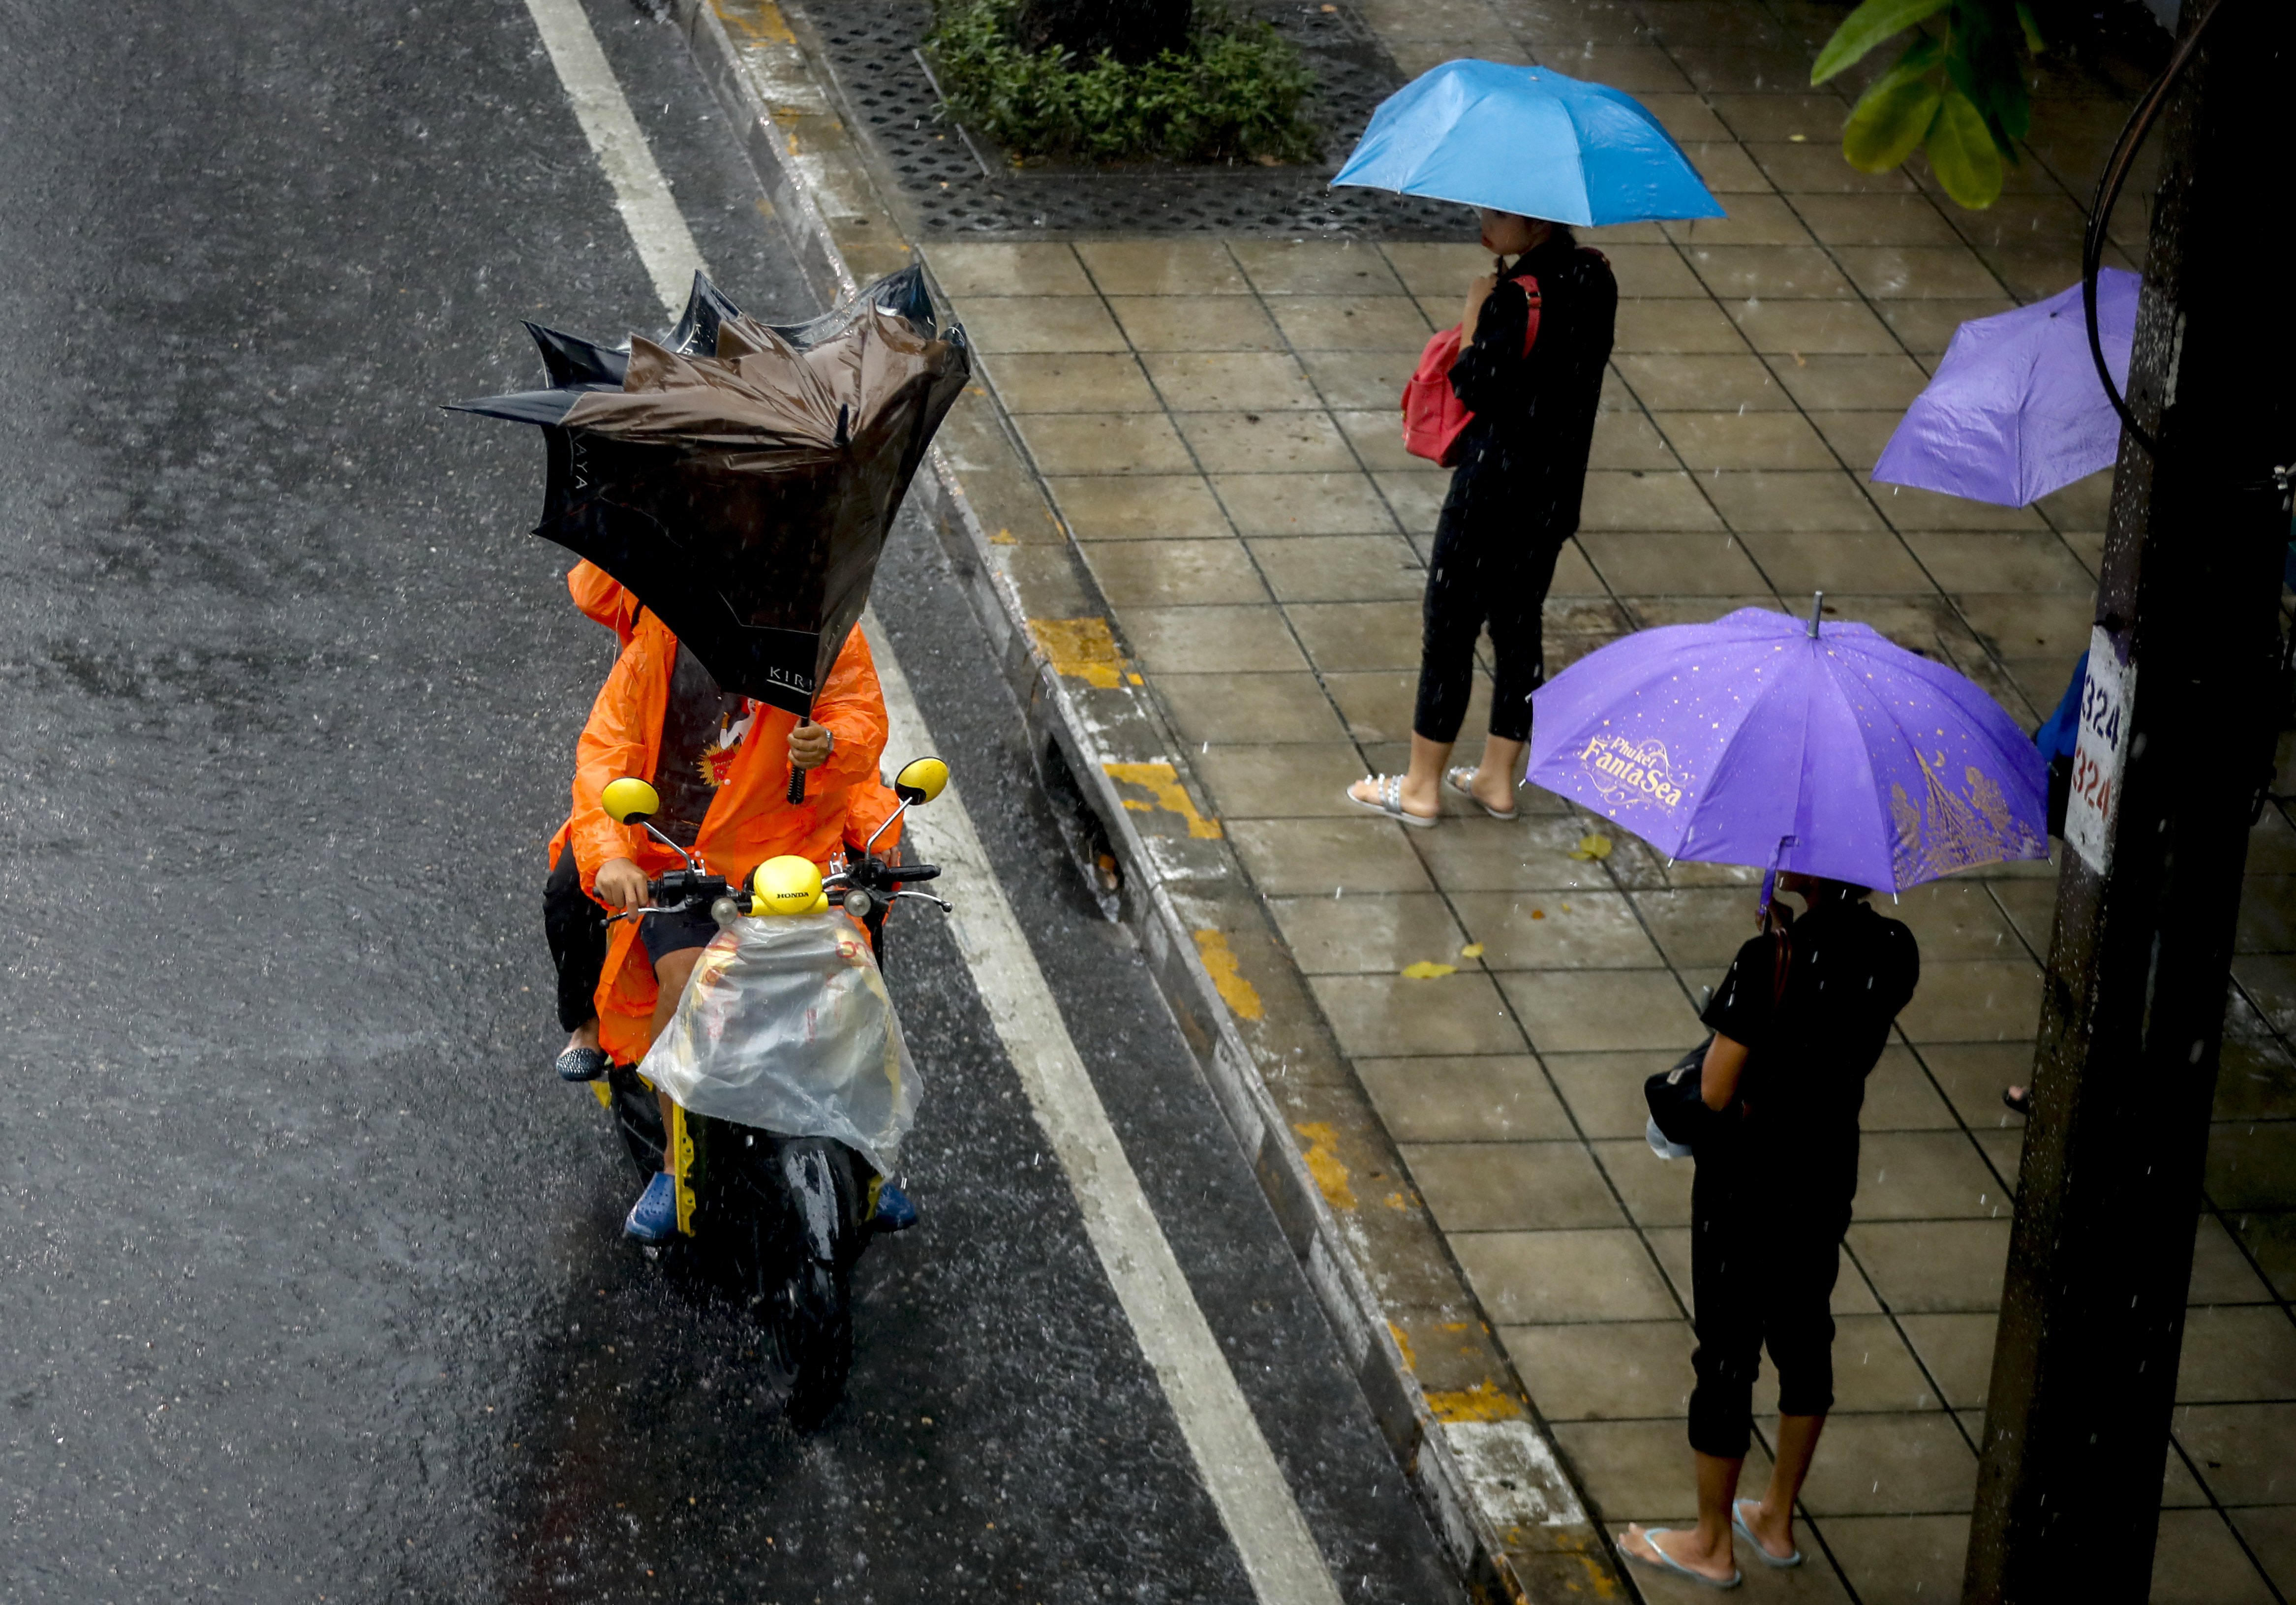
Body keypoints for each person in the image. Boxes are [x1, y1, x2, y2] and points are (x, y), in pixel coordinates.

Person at [540, 560, 898, 1241]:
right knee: (679, 982)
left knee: (860, 972)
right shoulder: (658, 645)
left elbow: (861, 719)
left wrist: (829, 744)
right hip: (684, 860)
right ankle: (678, 1165)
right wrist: (613, 853)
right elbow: (604, 757)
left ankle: (867, 1149)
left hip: (798, 856)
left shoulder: (823, 633)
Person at [1618, 873, 1919, 1590]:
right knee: (1802, 1329)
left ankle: (1711, 1541)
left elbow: (1718, 1089)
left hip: (1747, 1178)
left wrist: (1768, 950)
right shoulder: (1894, 948)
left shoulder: (1767, 961)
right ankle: (1776, 1517)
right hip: (1824, 1168)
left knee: (1726, 1351)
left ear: (1809, 868)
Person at [1348, 206, 1617, 826]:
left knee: (1448, 631)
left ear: (1538, 222)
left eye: (1497, 214)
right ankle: (1497, 777)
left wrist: (1476, 310)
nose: (1482, 222)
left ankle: (1420, 786)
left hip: (1490, 491)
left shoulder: (1514, 300)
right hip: (1552, 493)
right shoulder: (1595, 277)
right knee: (1518, 624)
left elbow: (1474, 386)